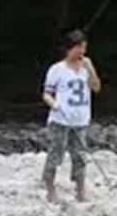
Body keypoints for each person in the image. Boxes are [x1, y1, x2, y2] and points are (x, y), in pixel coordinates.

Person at [41, 29, 102, 203]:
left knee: (80, 156)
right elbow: (46, 94)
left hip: (81, 120)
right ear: (72, 48)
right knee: (55, 154)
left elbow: (96, 88)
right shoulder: (57, 69)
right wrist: (55, 105)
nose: (83, 52)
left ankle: (80, 190)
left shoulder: (85, 68)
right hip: (60, 120)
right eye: (81, 48)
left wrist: (90, 69)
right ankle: (50, 190)